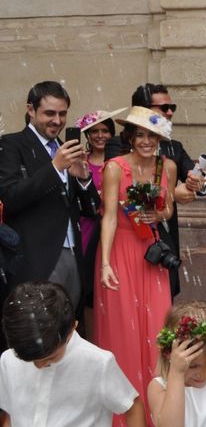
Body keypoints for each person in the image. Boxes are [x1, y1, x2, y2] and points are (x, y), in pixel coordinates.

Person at [96, 106, 176, 427]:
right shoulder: (114, 167)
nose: (145, 141)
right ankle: (124, 410)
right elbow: (110, 216)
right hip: (121, 251)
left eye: (152, 135)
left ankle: (158, 405)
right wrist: (104, 263)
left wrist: (157, 216)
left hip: (151, 252)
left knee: (158, 326)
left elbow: (168, 208)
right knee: (122, 328)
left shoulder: (166, 166)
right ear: (130, 136)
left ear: (159, 138)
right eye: (140, 134)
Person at [0, 81, 100, 335]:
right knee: (34, 335)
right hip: (35, 256)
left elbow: (91, 210)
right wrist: (55, 168)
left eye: (63, 114)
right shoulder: (12, 145)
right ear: (30, 110)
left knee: (68, 334)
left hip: (74, 255)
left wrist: (84, 178)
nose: (57, 120)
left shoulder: (67, 150)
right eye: (50, 113)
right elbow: (10, 198)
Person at [0, 281, 146, 427]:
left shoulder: (97, 363)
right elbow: (12, 417)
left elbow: (132, 407)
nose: (39, 365)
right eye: (32, 361)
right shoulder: (9, 359)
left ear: (72, 329)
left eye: (50, 358)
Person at [106, 83, 206, 298]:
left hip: (160, 239)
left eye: (171, 107)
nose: (170, 112)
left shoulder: (173, 147)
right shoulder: (117, 145)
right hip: (124, 240)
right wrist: (173, 192)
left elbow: (200, 182)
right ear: (142, 110)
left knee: (161, 302)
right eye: (164, 108)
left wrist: (198, 182)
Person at [74, 108, 126, 326]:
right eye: (94, 131)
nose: (100, 136)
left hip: (114, 227)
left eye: (105, 131)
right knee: (87, 288)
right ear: (87, 135)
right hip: (87, 226)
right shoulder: (80, 161)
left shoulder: (121, 162)